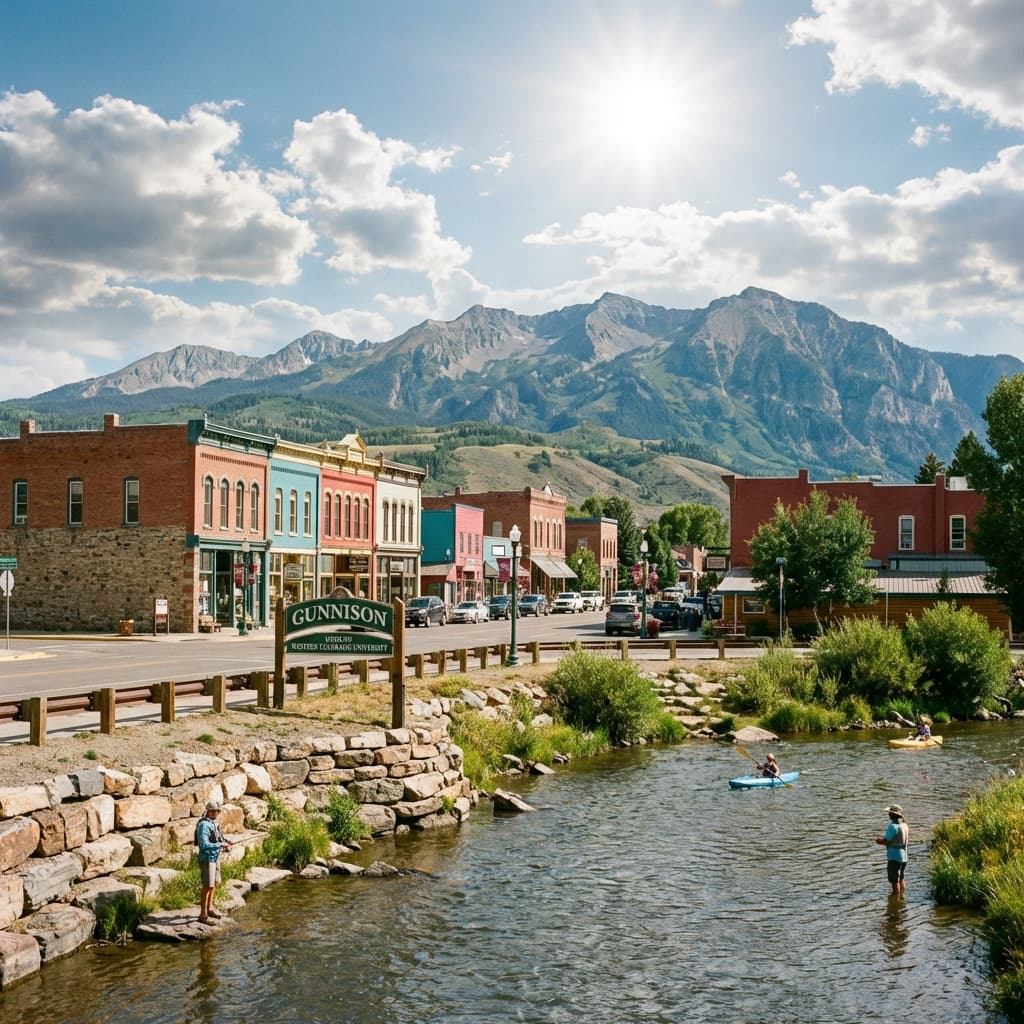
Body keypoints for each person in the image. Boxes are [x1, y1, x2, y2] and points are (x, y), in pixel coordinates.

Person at [195, 799, 232, 923]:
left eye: (216, 811)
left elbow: (220, 838)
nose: (214, 813)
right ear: (208, 811)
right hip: (207, 859)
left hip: (215, 858)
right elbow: (204, 844)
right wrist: (221, 845)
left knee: (214, 884)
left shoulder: (215, 823)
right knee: (207, 886)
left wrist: (227, 842)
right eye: (212, 811)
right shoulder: (203, 825)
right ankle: (203, 914)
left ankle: (210, 908)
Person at [876, 804, 908, 895]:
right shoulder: (904, 825)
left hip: (895, 857)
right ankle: (902, 898)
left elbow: (886, 841)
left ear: (894, 814)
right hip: (904, 857)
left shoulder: (893, 826)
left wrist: (879, 841)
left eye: (890, 813)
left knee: (894, 881)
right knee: (901, 878)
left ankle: (896, 901)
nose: (888, 814)